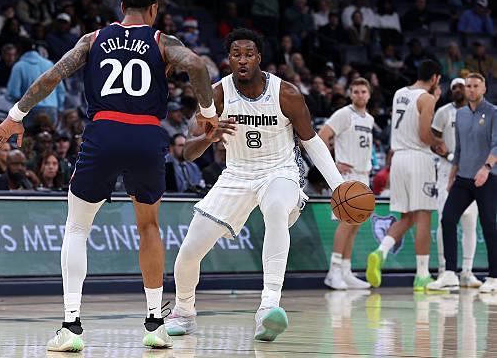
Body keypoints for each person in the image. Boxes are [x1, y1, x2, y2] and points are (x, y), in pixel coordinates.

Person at [0, 0, 217, 351]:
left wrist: (16, 116)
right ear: (154, 10)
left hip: (104, 131)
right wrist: (208, 113)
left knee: (77, 227)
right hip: (146, 135)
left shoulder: (93, 40)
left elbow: (52, 76)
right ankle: (155, 324)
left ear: (121, 7)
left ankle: (71, 327)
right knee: (149, 226)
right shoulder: (162, 42)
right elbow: (197, 65)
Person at [164, 29, 344, 342]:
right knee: (189, 251)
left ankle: (268, 306)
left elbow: (311, 141)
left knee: (275, 210)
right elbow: (189, 150)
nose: (243, 60)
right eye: (236, 54)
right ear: (229, 59)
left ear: (259, 57)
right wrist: (208, 135)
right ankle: (184, 310)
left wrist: (338, 185)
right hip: (236, 175)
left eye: (249, 54)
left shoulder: (285, 93)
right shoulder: (218, 94)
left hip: (280, 171)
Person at [366, 60, 446, 292]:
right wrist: (439, 142)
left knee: (407, 217)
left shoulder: (400, 93)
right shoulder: (426, 98)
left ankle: (380, 252)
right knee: (423, 217)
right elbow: (424, 136)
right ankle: (422, 275)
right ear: (435, 78)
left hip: (398, 159)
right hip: (418, 159)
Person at [428, 73, 497, 292]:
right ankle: (450, 273)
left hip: (487, 178)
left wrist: (486, 168)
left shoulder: (493, 112)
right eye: (468, 86)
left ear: (484, 88)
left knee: (489, 225)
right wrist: (452, 177)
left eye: (476, 86)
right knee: (448, 218)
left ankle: (494, 277)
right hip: (463, 178)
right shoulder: (461, 114)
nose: (471, 90)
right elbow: (458, 149)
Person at [319, 78, 374, 290]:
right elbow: (322, 136)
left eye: (363, 91)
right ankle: (333, 272)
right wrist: (333, 164)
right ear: (350, 94)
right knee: (346, 223)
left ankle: (346, 271)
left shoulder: (369, 119)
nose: (360, 95)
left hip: (363, 175)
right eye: (356, 91)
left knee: (355, 224)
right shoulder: (343, 114)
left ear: (369, 95)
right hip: (347, 177)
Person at [7, 38, 65, 127]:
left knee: (30, 136)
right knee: (49, 135)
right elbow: (61, 91)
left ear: (19, 50)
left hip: (29, 110)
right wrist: (58, 107)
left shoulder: (19, 66)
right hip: (51, 109)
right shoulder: (49, 64)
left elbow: (13, 93)